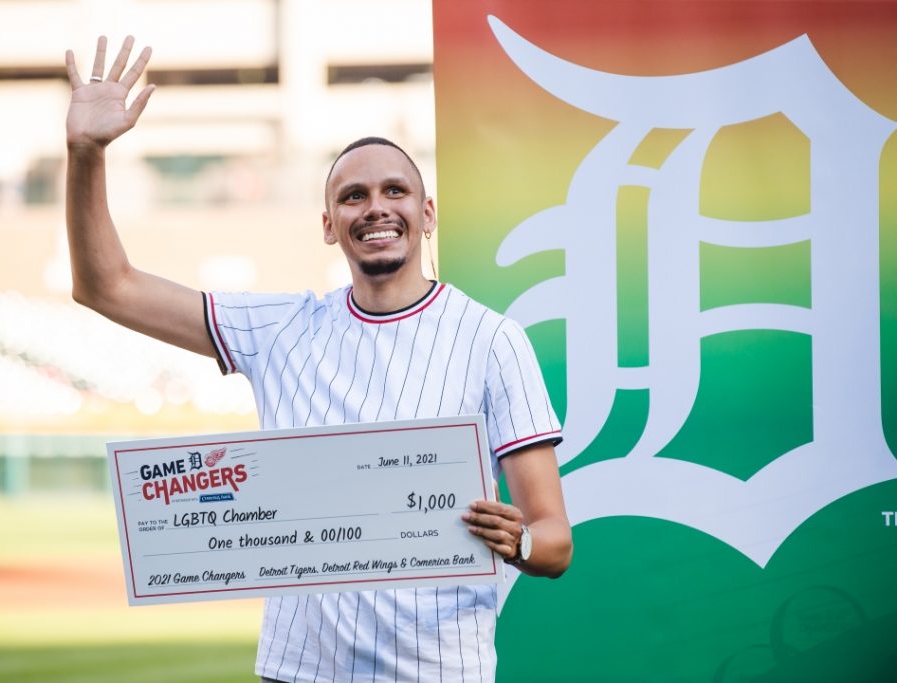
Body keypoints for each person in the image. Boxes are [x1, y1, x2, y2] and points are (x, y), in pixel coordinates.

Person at [65, 36, 572, 683]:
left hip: (440, 672)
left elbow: (555, 539)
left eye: (395, 189)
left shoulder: (492, 339)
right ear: (330, 222)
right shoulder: (282, 328)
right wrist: (86, 155)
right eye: (352, 195)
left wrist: (519, 540)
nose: (376, 206)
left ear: (427, 214)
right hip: (298, 673)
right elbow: (106, 284)